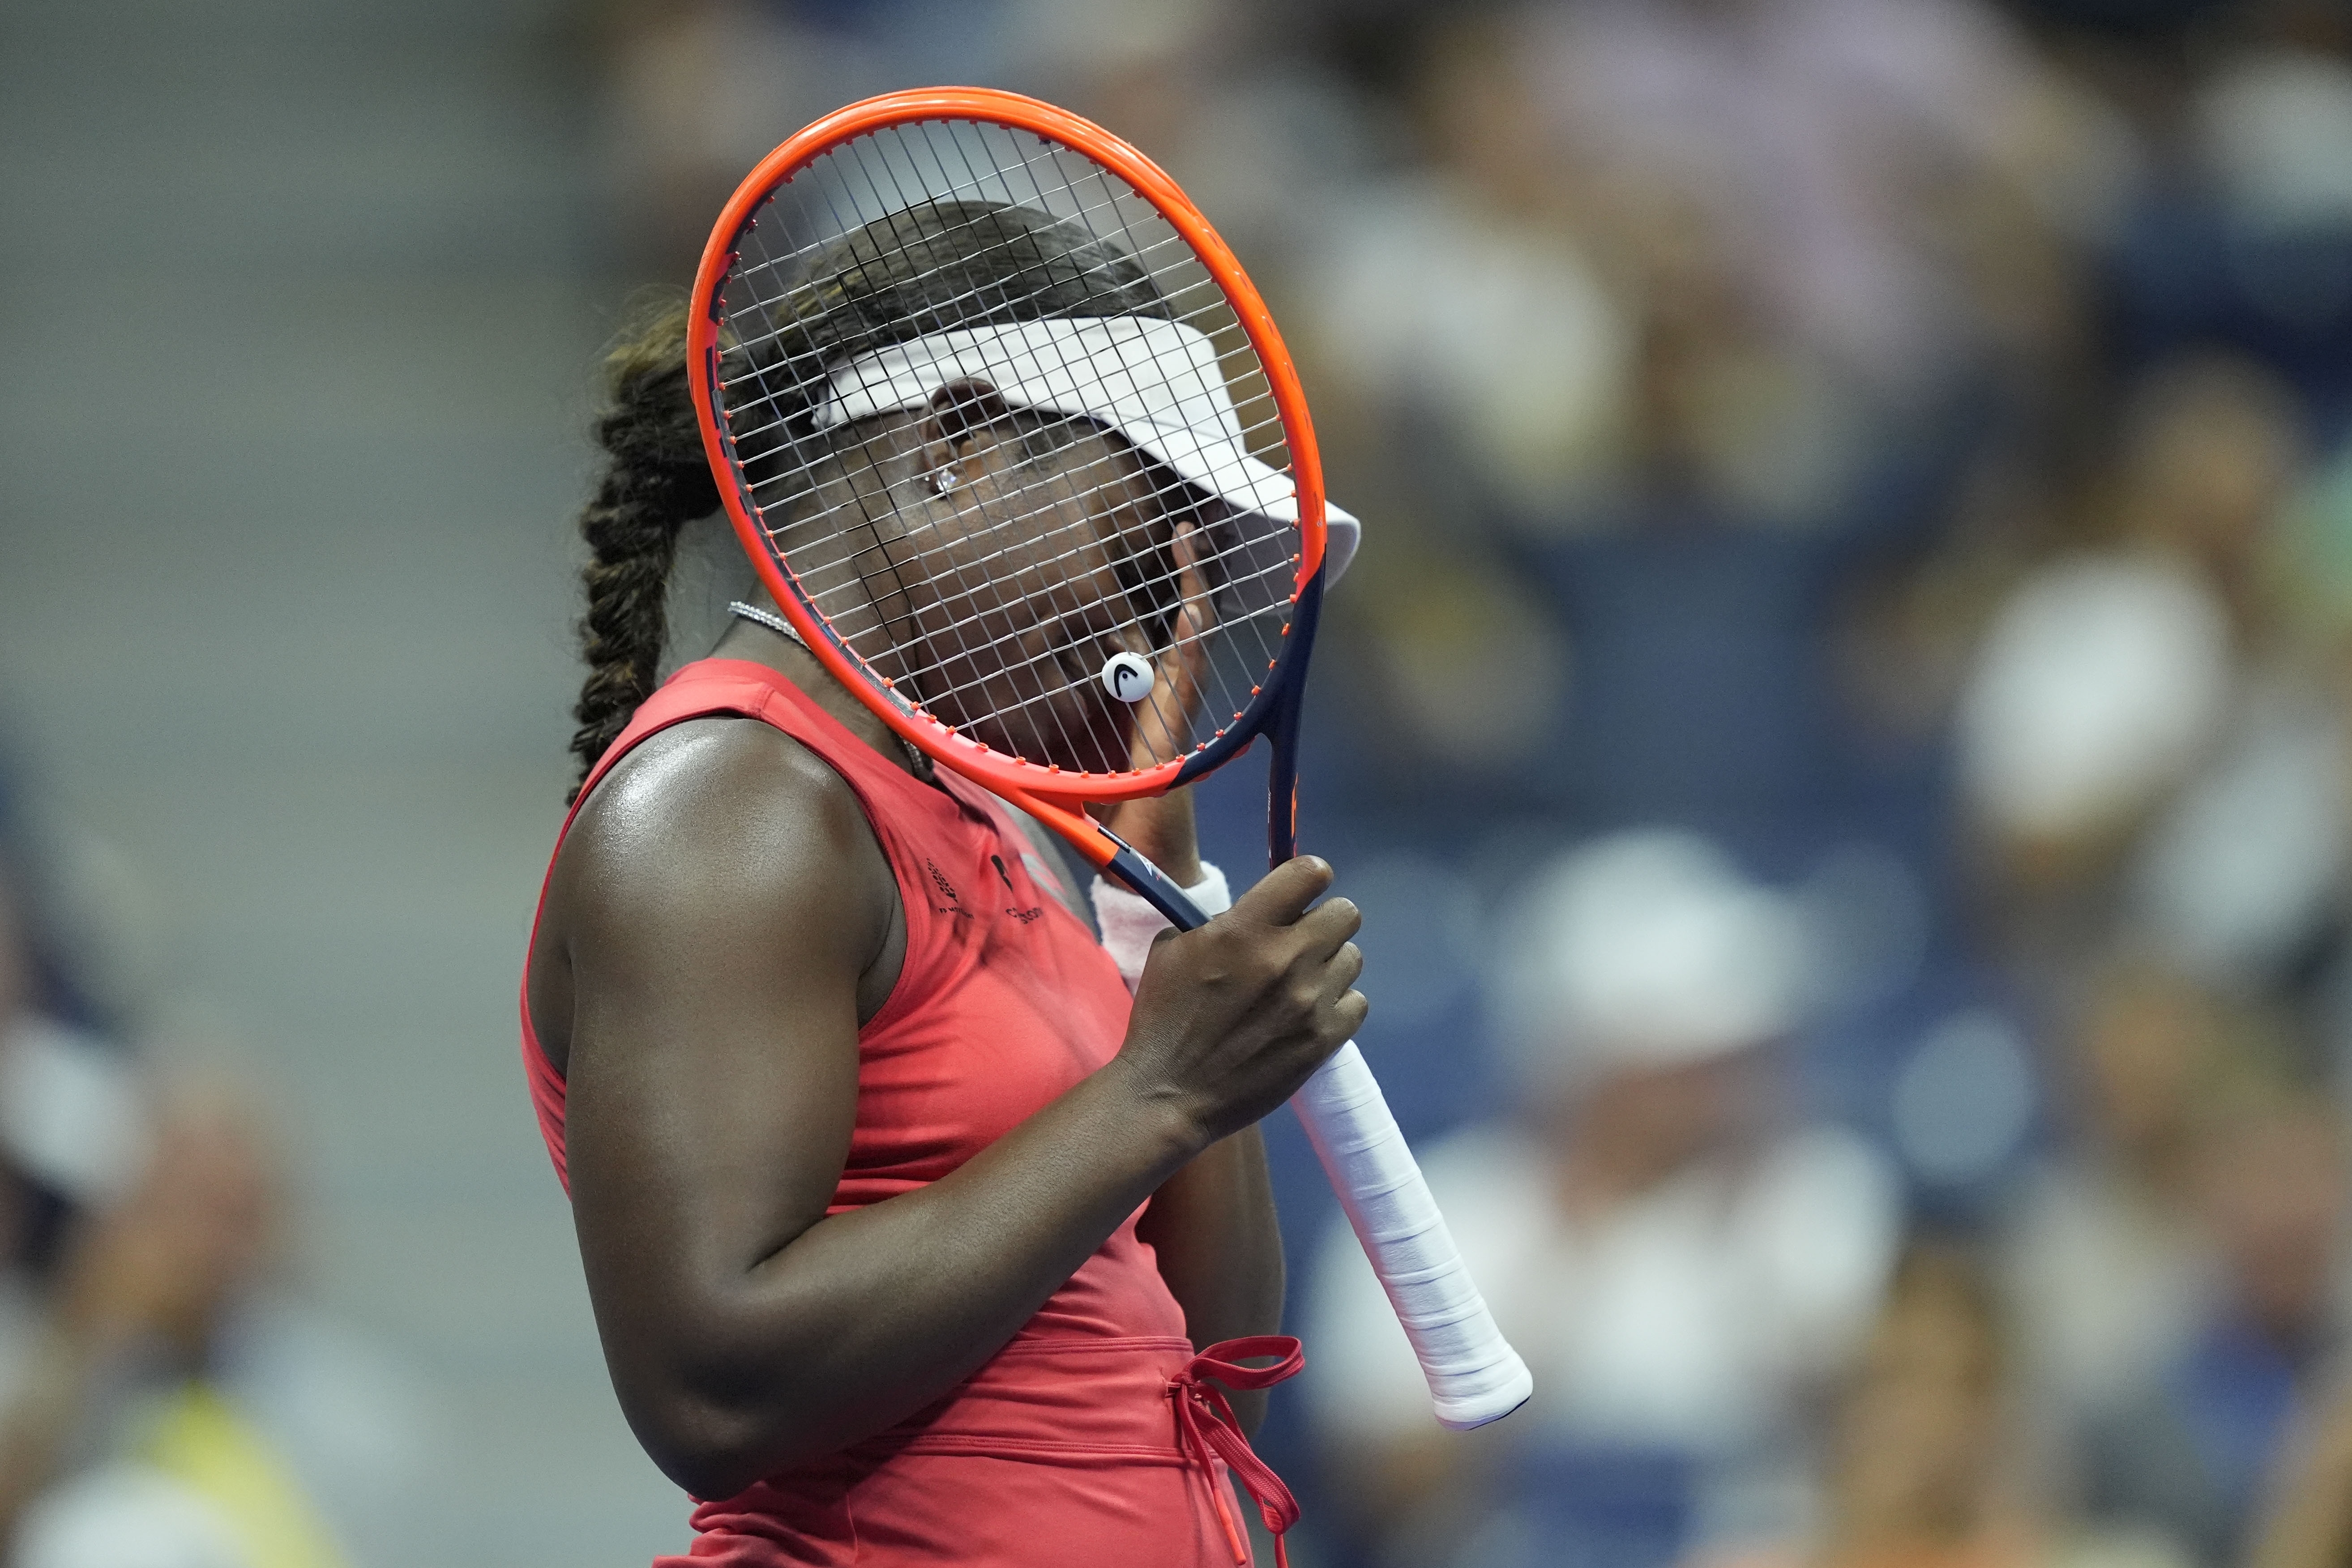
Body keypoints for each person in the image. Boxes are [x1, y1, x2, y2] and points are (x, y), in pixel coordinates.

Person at [521, 201, 1369, 1566]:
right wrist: (1155, 1090)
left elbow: (1215, 1366)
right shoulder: (733, 808)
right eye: (1141, 539)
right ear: (955, 453)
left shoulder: (986, 821)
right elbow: (710, 1385)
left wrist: (1152, 900)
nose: (1151, 619)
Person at [1305, 830, 1901, 1568]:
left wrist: (1749, 1261)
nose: (1731, 1085)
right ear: (1591, 1066)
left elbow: (1893, 1450)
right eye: (1687, 1064)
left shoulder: (1823, 1188)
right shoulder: (1431, 1204)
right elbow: (1387, 1487)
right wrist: (1561, 1268)